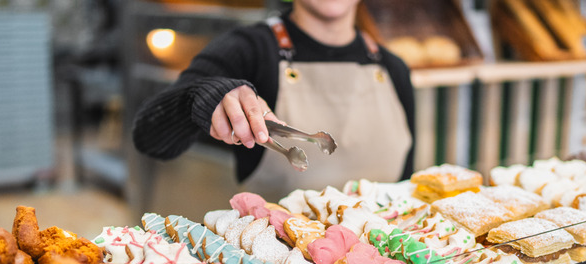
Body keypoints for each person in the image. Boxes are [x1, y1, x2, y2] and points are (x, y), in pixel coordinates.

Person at [133, 0, 415, 201]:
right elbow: (149, 136)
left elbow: (404, 192)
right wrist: (203, 96)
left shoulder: (394, 69)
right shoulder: (249, 49)